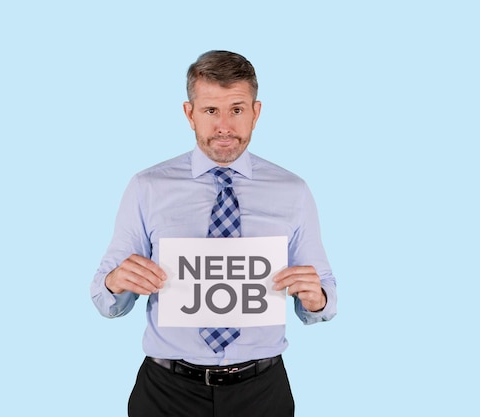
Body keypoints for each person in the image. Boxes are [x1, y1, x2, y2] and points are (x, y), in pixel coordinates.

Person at [91, 50, 337, 417]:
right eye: (211, 111)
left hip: (262, 392)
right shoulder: (147, 187)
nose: (224, 126)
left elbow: (324, 293)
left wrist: (316, 297)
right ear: (190, 114)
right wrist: (115, 281)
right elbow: (105, 300)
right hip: (166, 393)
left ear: (256, 112)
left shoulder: (294, 191)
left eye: (237, 109)